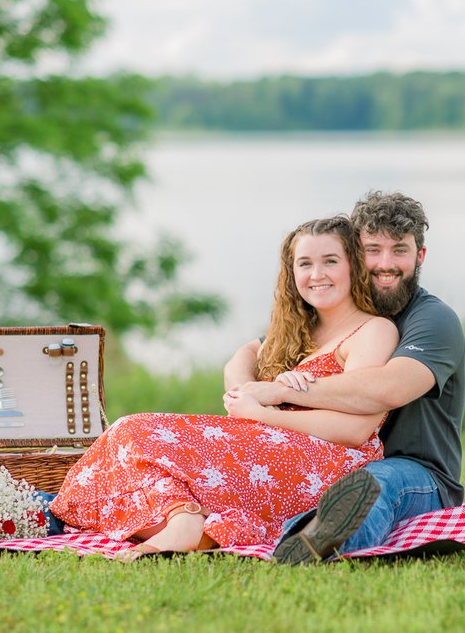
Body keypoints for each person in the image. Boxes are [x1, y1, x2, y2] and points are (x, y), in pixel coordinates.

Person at [48, 216, 399, 558]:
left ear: (353, 266)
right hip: (271, 444)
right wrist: (248, 390)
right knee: (127, 436)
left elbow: (356, 430)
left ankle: (185, 522)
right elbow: (243, 355)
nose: (317, 274)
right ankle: (185, 520)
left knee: (136, 434)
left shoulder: (372, 330)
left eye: (330, 261)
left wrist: (263, 414)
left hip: (325, 461)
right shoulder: (298, 331)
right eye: (305, 263)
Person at [224, 191, 465, 564]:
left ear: (420, 256)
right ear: (354, 254)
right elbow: (248, 352)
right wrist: (243, 395)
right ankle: (286, 533)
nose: (386, 263)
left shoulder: (432, 321)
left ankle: (327, 544)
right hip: (333, 456)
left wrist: (280, 390)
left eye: (399, 250)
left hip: (414, 470)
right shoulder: (336, 314)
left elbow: (389, 389)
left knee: (374, 485)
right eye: (373, 250)